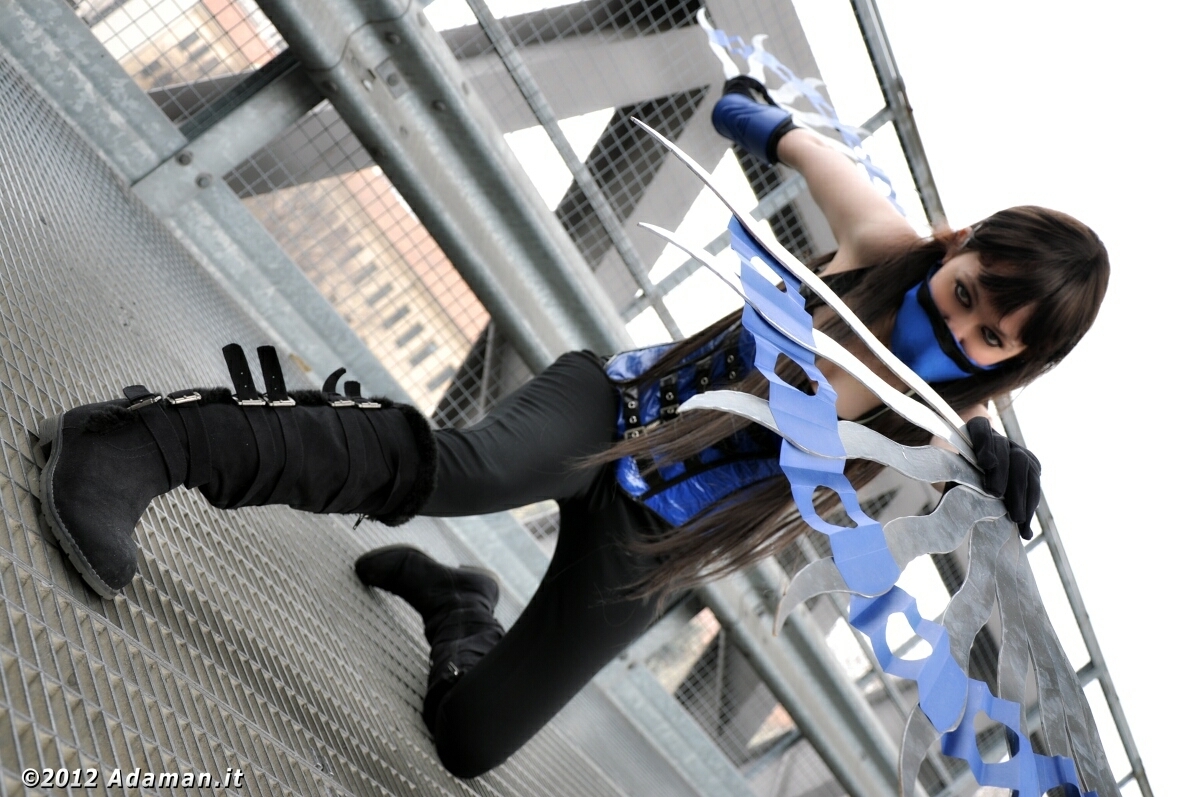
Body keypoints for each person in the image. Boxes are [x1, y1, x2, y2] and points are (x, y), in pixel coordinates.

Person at [35, 77, 1109, 779]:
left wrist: (995, 467)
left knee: (470, 740)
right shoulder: (884, 246)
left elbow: (961, 482)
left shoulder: (943, 425)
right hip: (616, 410)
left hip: (663, 539)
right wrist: (760, 119)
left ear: (1015, 361)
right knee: (458, 470)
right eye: (967, 292)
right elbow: (812, 153)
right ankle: (149, 442)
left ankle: (459, 605)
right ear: (958, 245)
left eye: (990, 338)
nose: (959, 328)